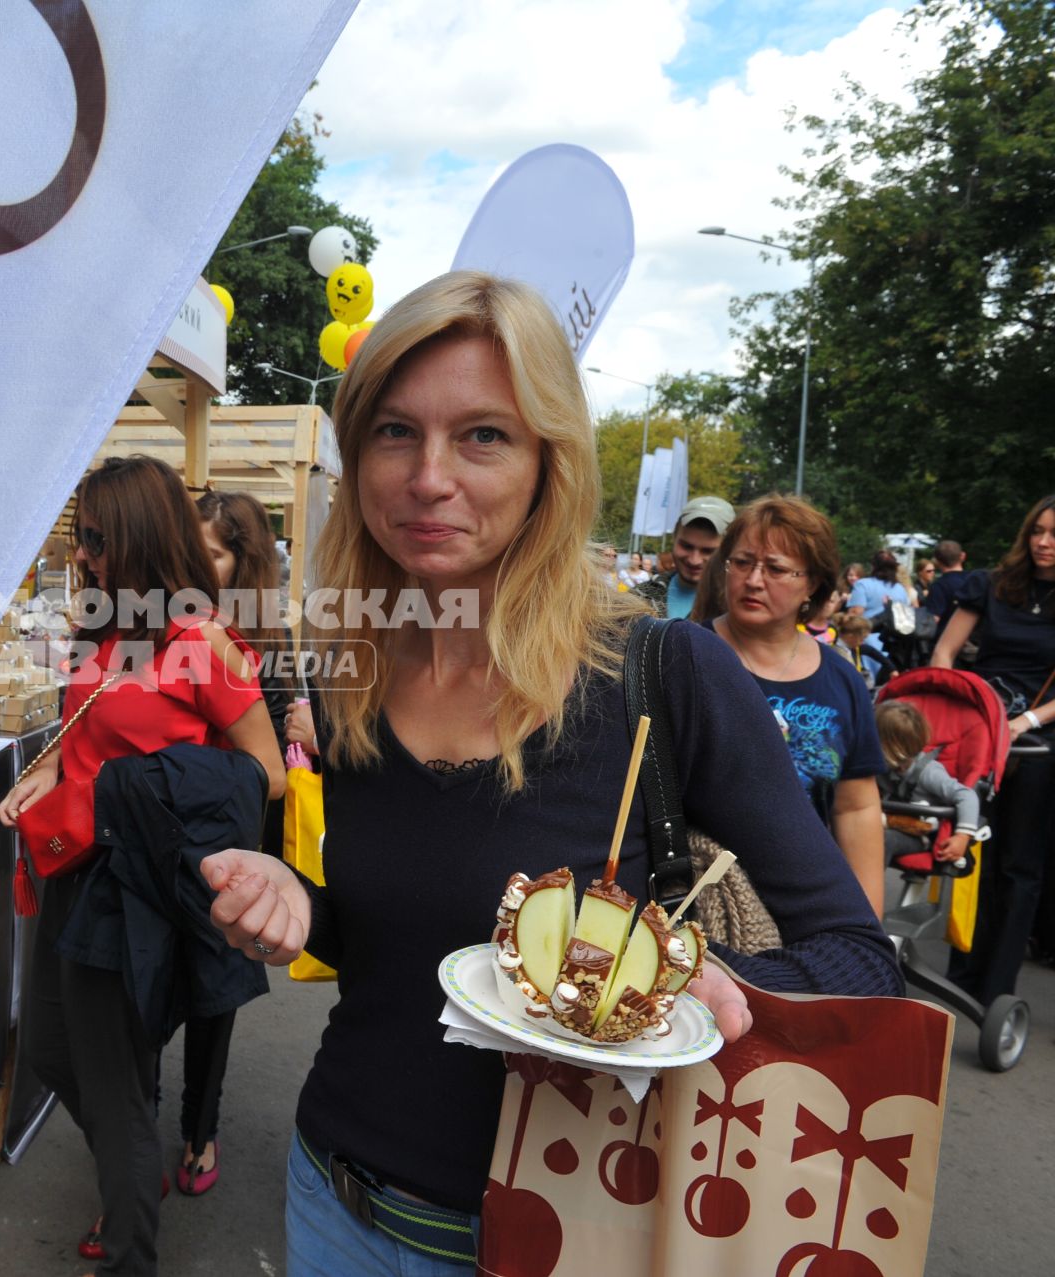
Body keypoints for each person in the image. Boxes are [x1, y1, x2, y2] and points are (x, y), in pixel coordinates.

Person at [193, 272, 901, 1275]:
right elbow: (401, 941)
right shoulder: (346, 666)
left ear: (548, 464)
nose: (428, 475)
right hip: (334, 1194)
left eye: (483, 435)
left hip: (561, 1234)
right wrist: (299, 904)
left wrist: (697, 982)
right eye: (395, 431)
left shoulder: (665, 673)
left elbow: (860, 956)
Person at [0, 455, 285, 1277]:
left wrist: (145, 788)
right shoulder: (112, 626)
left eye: (95, 538)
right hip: (75, 867)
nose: (83, 554)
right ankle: (136, 1178)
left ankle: (129, 1242)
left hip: (139, 885)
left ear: (137, 536)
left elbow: (265, 771)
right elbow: (86, 732)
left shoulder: (206, 639)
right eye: (80, 537)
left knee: (117, 1086)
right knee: (52, 1051)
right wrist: (47, 769)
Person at [175, 488, 294, 1198]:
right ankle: (143, 1129)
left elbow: (270, 767)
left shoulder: (264, 640)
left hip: (227, 840)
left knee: (211, 995)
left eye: (212, 553)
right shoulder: (166, 624)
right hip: (171, 835)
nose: (196, 564)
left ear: (242, 563)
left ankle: (199, 1128)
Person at [701, 496, 886, 911]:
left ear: (814, 583)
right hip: (699, 907)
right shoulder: (684, 655)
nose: (753, 580)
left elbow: (856, 808)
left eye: (776, 569)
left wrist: (870, 929)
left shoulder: (842, 680)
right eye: (743, 562)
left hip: (808, 908)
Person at [932, 494, 1055, 1007]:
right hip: (980, 728)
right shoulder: (990, 584)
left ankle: (998, 987)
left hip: (1040, 734)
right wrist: (959, 708)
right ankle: (960, 975)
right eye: (1038, 531)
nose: (1044, 543)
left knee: (1019, 866)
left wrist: (1024, 721)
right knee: (972, 850)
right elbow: (944, 651)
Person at [876, 699, 977, 867]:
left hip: (919, 836)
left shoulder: (929, 772)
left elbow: (966, 795)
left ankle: (864, 890)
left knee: (884, 840)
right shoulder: (881, 769)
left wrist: (962, 836)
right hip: (887, 822)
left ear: (892, 748)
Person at [634, 495, 735, 619]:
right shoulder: (640, 597)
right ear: (674, 539)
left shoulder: (739, 606)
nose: (694, 560)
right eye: (686, 546)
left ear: (729, 550)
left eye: (708, 551)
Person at [923, 540, 967, 625]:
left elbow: (934, 619)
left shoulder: (939, 586)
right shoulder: (976, 581)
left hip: (947, 635)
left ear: (937, 561)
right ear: (962, 556)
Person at [835, 613, 880, 686]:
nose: (862, 643)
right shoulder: (838, 652)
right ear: (850, 635)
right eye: (862, 639)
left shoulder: (849, 649)